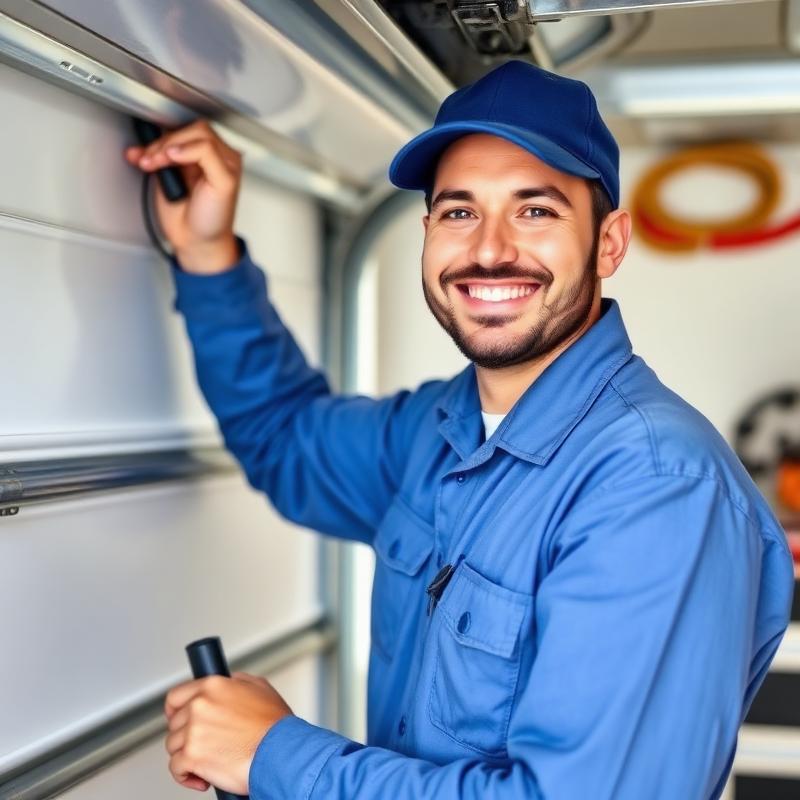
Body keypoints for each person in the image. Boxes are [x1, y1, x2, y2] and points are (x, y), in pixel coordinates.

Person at [123, 60, 794, 800]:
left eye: (535, 210)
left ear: (609, 243)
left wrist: (274, 756)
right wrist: (206, 254)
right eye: (459, 211)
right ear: (429, 232)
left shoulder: (657, 487)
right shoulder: (438, 432)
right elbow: (285, 439)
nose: (489, 249)